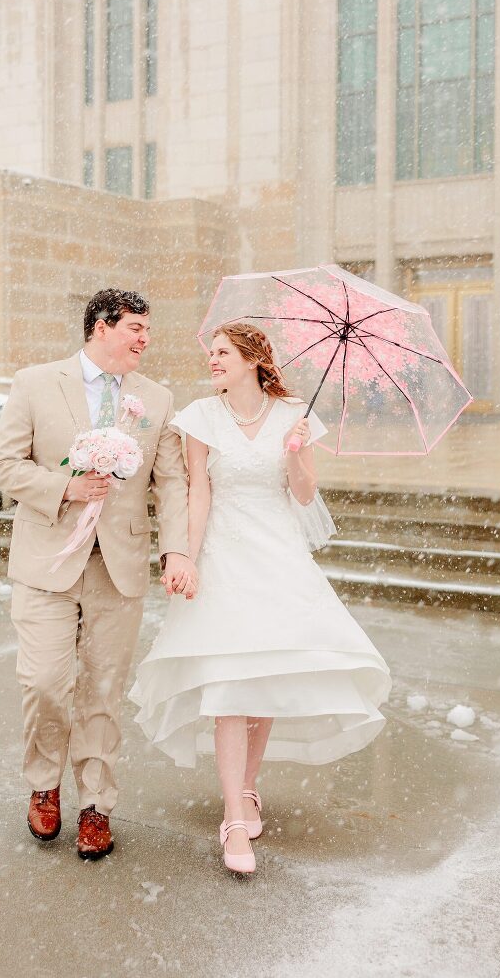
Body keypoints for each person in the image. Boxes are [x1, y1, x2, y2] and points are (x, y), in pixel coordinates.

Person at [130, 322, 391, 875]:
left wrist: (295, 451)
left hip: (278, 557)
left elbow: (302, 493)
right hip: (224, 558)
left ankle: (247, 787)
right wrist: (187, 558)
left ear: (252, 358)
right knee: (228, 686)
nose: (213, 361)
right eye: (212, 353)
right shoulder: (200, 417)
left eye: (223, 353)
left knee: (266, 678)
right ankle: (231, 816)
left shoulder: (294, 413)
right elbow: (199, 492)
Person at [0, 288, 197, 860]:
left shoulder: (156, 397)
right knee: (46, 684)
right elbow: (4, 465)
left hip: (119, 567)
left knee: (104, 690)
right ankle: (43, 785)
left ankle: (97, 805)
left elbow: (171, 481)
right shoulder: (35, 382)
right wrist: (66, 489)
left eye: (148, 330)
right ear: (99, 327)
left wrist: (177, 551)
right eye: (134, 327)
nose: (144, 339)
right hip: (46, 563)